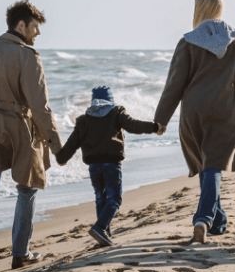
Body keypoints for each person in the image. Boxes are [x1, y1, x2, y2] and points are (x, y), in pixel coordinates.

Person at [154, 0, 235, 243]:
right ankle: (204, 218)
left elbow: (174, 83)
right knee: (213, 165)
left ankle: (217, 221)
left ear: (199, 10)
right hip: (225, 111)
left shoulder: (187, 42)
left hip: (193, 111)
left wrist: (161, 119)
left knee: (208, 165)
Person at [0, 0, 62, 272]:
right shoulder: (28, 57)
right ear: (21, 25)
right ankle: (20, 254)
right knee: (27, 188)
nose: (37, 34)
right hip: (20, 126)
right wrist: (56, 144)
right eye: (35, 27)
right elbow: (40, 106)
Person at [55, 85, 164, 247]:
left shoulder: (83, 120)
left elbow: (72, 144)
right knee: (114, 199)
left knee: (101, 198)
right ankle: (100, 228)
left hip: (94, 166)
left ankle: (104, 233)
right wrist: (155, 127)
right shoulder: (116, 112)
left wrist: (61, 158)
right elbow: (133, 125)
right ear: (110, 100)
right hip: (111, 164)